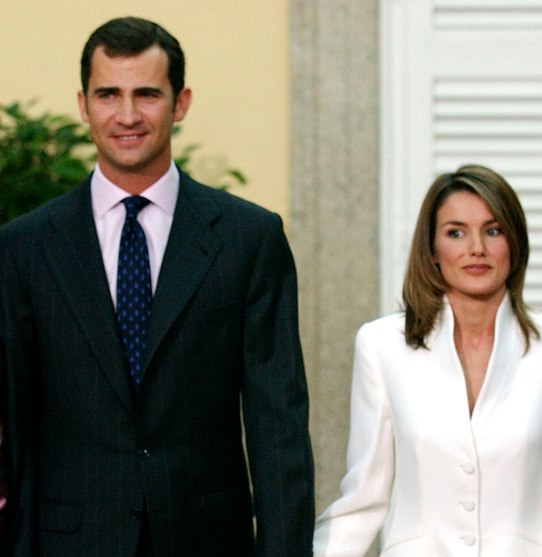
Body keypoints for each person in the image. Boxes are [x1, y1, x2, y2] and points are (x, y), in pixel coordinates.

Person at [0, 17, 314, 556]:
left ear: (180, 103)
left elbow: (278, 426)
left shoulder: (248, 239)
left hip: (207, 542)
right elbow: (15, 426)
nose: (127, 115)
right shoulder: (24, 247)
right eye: (108, 95)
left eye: (146, 94)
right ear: (83, 105)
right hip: (70, 543)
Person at [313, 164, 542, 556]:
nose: (476, 248)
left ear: (514, 243)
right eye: (456, 232)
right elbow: (362, 499)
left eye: (493, 231)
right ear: (433, 251)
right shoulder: (381, 346)